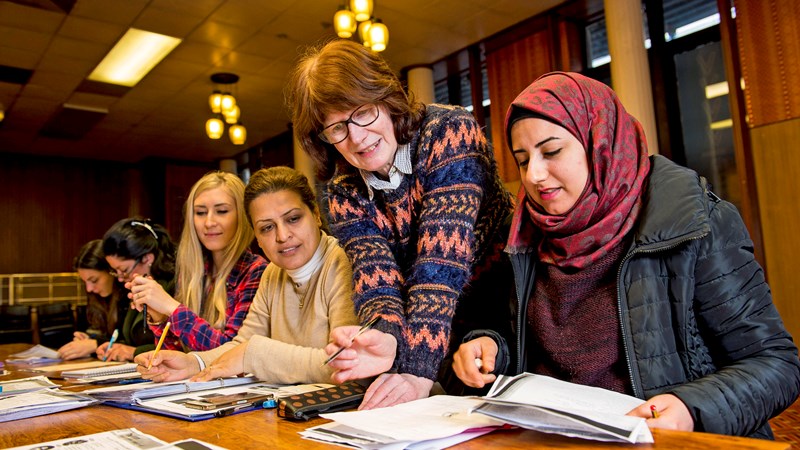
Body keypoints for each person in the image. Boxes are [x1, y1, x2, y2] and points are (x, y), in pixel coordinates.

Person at [450, 71, 800, 438]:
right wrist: (488, 347)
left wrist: (690, 408)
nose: (534, 175)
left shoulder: (697, 223)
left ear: (601, 143)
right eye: (522, 160)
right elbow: (505, 333)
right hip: (555, 441)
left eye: (551, 152)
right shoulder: (520, 236)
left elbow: (775, 364)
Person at [287, 39, 515, 409]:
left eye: (362, 113)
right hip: (435, 328)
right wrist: (385, 334)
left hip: (504, 309)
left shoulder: (448, 132)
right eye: (336, 130)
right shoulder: (343, 190)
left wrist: (415, 368)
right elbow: (375, 275)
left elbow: (439, 263)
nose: (356, 138)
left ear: (386, 98)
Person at [135, 166, 358, 384]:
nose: (282, 236)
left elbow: (345, 363)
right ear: (257, 238)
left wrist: (253, 354)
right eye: (267, 228)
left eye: (293, 219)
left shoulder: (345, 262)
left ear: (317, 215)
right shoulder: (273, 272)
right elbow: (242, 343)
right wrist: (194, 363)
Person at [127, 171, 267, 352]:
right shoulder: (192, 271)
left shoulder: (256, 270)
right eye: (200, 212)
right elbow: (177, 355)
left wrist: (170, 307)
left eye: (221, 211)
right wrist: (159, 316)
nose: (209, 222)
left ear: (242, 216)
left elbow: (232, 353)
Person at [100, 218, 176, 360]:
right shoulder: (135, 286)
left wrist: (134, 352)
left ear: (147, 258)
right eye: (115, 271)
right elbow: (132, 338)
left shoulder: (175, 286)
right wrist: (116, 347)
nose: (120, 278)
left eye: (124, 270)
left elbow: (182, 345)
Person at [58, 240, 136, 360]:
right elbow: (105, 333)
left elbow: (136, 343)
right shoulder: (98, 298)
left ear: (112, 271)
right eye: (85, 282)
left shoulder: (133, 296)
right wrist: (88, 339)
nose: (89, 289)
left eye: (94, 280)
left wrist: (95, 344)